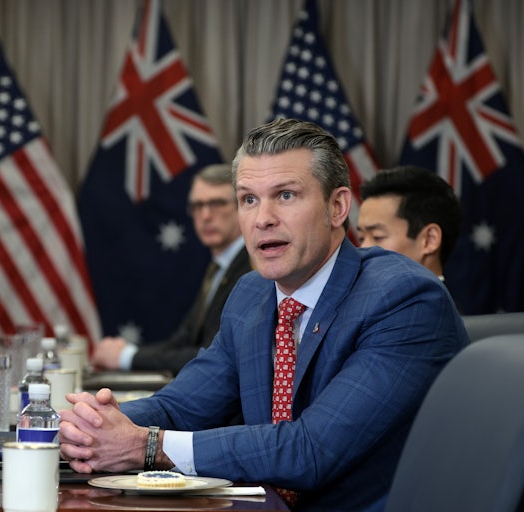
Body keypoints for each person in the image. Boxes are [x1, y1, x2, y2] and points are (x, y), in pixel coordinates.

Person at [59, 118, 469, 511]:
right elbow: (181, 407)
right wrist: (94, 426)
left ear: (338, 206)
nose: (263, 218)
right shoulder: (252, 294)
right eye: (248, 199)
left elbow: (311, 449)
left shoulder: (404, 298)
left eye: (286, 195)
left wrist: (145, 446)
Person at [91, 163, 251, 375]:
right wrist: (128, 352)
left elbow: (214, 354)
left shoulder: (251, 269)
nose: (205, 216)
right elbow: (181, 341)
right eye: (197, 206)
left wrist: (126, 357)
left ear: (242, 206)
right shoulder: (217, 268)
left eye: (217, 204)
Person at [357, 165, 462, 280]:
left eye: (377, 237)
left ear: (430, 240)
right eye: (361, 238)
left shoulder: (436, 298)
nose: (363, 251)